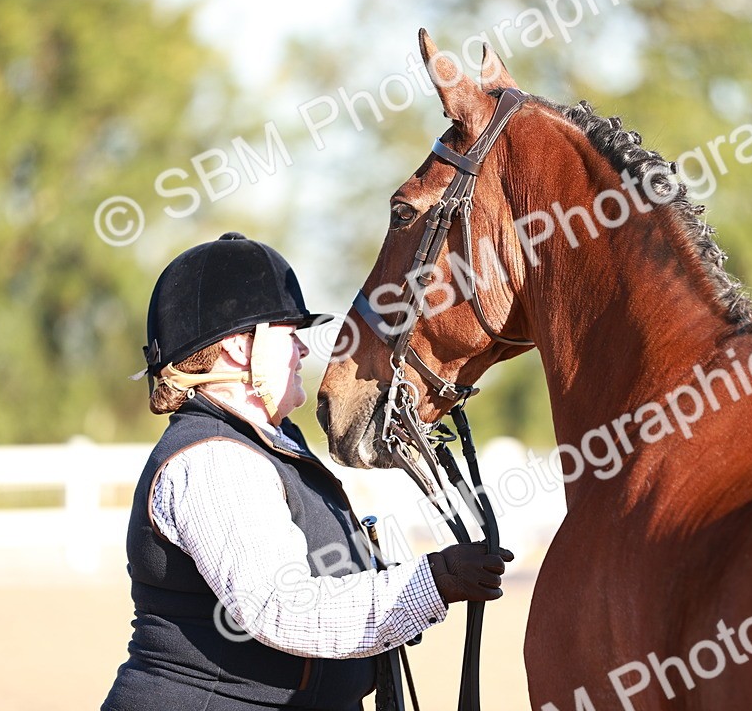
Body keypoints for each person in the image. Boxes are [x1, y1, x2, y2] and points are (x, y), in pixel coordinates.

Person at [102, 232, 512, 711]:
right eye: (290, 336)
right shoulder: (211, 460)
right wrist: (434, 581)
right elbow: (282, 609)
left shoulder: (268, 445)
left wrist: (397, 598)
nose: (303, 352)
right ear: (239, 349)